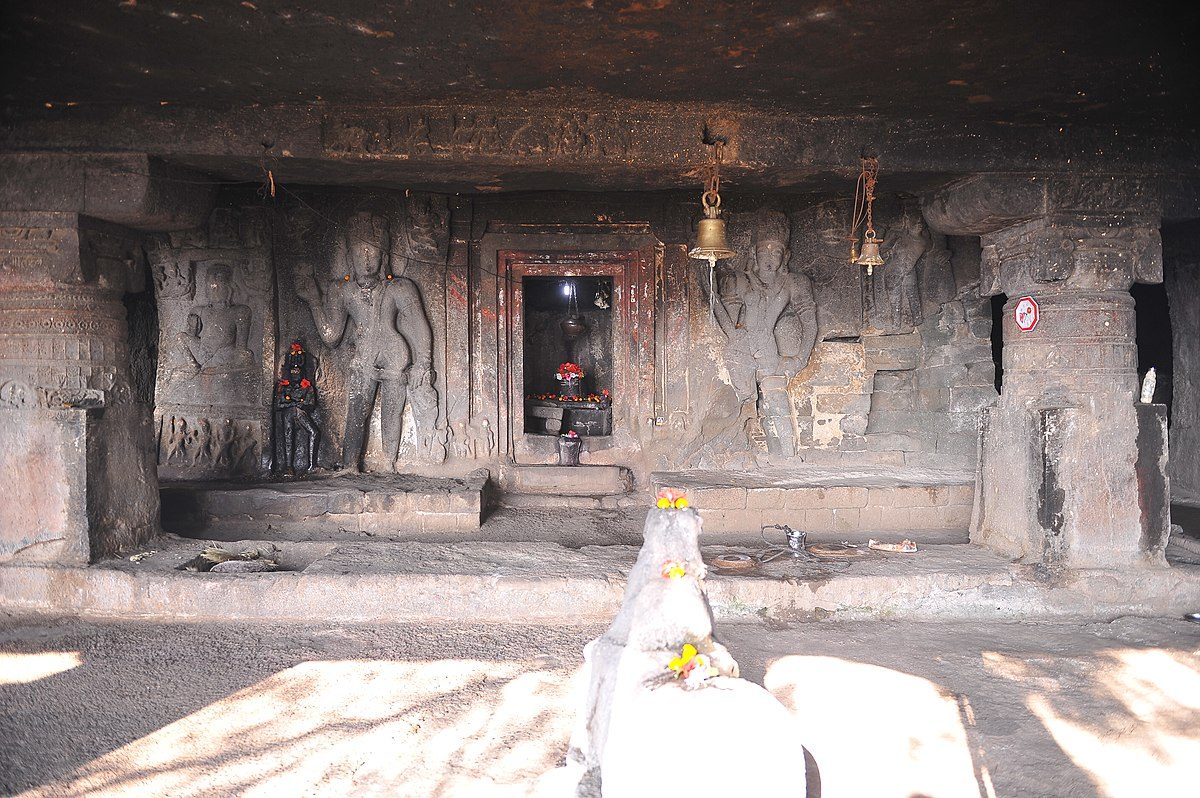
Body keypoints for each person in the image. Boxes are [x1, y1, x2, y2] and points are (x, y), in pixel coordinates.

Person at [295, 210, 434, 472]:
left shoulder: (400, 288)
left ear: (385, 256)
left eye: (373, 252)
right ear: (350, 256)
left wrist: (423, 362)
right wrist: (314, 300)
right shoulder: (343, 291)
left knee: (392, 414)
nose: (367, 260)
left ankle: (391, 464)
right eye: (360, 253)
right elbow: (331, 337)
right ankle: (350, 465)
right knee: (357, 411)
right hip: (364, 358)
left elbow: (418, 325)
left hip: (395, 355)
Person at [711, 209, 817, 458]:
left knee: (777, 404)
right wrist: (716, 301)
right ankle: (735, 451)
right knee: (739, 403)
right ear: (753, 254)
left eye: (776, 251)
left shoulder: (794, 282)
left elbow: (810, 323)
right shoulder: (738, 280)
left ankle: (786, 457)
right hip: (740, 348)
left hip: (769, 351)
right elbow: (729, 320)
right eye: (764, 251)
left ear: (786, 255)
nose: (770, 257)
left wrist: (800, 359)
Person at [178, 263, 255, 375]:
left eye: (218, 286)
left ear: (229, 287)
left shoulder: (240, 311)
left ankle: (217, 368)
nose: (213, 290)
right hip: (202, 350)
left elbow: (241, 346)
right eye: (209, 286)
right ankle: (193, 365)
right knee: (180, 337)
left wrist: (237, 358)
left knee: (245, 356)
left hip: (225, 353)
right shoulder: (199, 310)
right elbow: (191, 334)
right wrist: (193, 326)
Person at [273, 342, 319, 476]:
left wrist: (299, 405)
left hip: (301, 414)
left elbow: (310, 403)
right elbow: (278, 405)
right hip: (289, 415)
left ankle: (311, 466)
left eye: (297, 370)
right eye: (293, 370)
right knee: (288, 434)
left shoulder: (307, 387)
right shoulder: (283, 386)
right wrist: (294, 405)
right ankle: (288, 466)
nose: (295, 372)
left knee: (314, 432)